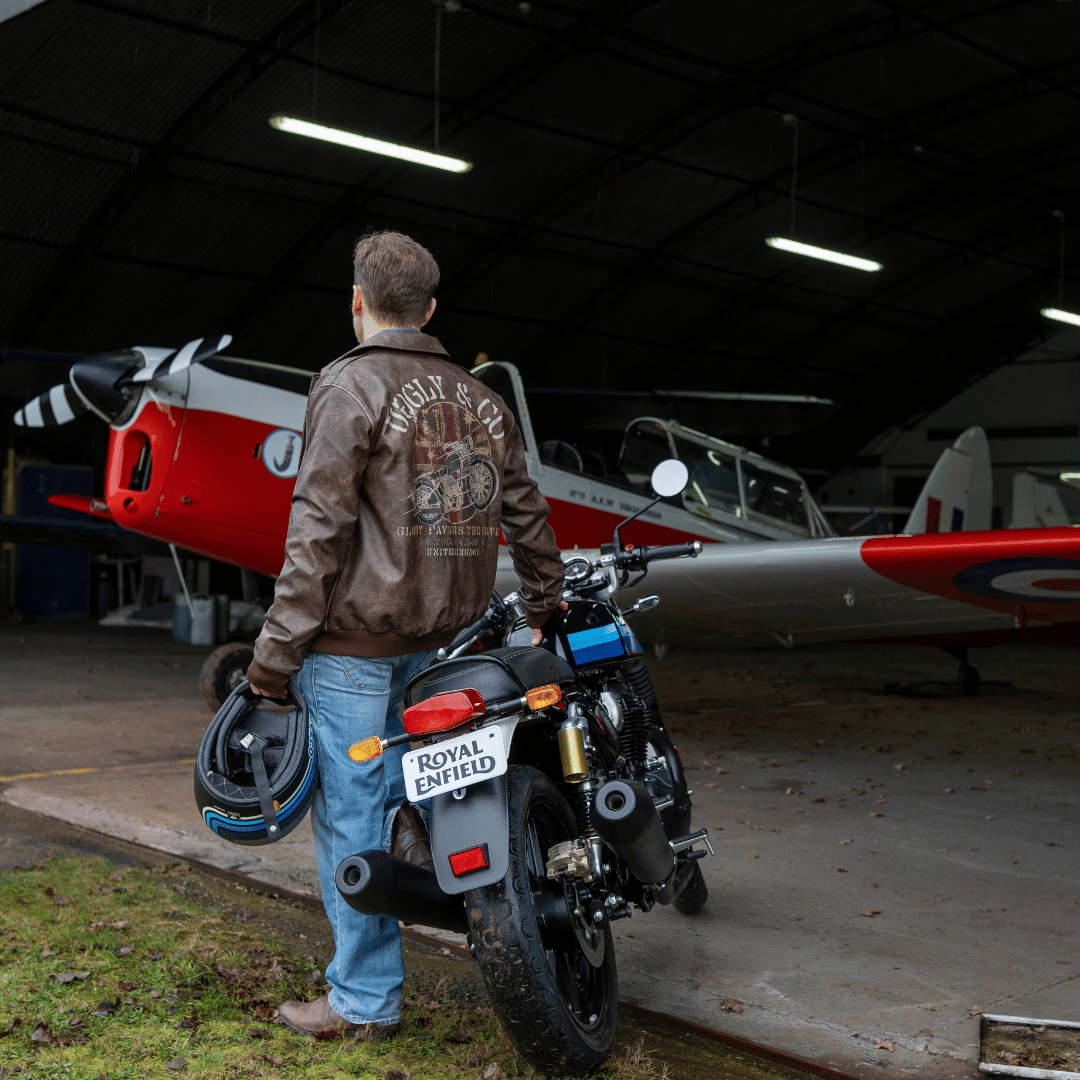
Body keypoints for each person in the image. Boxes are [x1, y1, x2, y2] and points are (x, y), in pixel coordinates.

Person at [245, 230, 566, 1040]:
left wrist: (273, 659)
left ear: (357, 302)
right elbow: (527, 513)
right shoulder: (483, 398)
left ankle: (363, 1002)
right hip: (446, 655)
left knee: (353, 820)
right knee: (409, 805)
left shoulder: (348, 386)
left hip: (353, 655)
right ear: (430, 308)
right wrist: (545, 607)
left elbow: (318, 531)